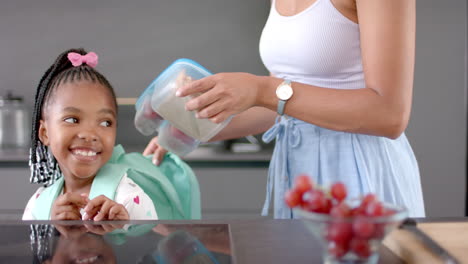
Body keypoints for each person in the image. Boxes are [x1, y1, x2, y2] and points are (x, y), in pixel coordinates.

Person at [144, 0, 425, 218]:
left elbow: (389, 114)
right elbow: (282, 106)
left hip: (361, 173)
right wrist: (194, 126)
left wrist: (261, 89)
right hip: (296, 176)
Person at [23, 48, 158, 221]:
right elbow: (30, 247)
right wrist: (52, 228)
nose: (89, 134)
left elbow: (151, 242)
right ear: (44, 133)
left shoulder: (129, 199)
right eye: (72, 120)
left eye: (105, 123)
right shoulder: (38, 205)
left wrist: (122, 227)